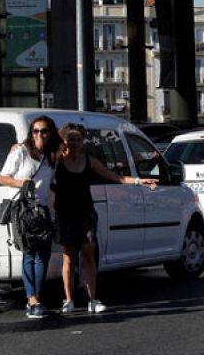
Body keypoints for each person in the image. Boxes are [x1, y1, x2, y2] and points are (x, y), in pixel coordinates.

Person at [52, 123, 158, 314]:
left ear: (82, 141)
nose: (74, 143)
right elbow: (38, 161)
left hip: (86, 213)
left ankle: (93, 299)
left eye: (78, 139)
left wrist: (139, 180)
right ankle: (68, 300)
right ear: (64, 140)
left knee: (88, 256)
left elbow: (114, 177)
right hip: (65, 214)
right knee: (68, 257)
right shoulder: (57, 161)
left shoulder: (89, 161)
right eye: (71, 139)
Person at [0, 114, 59, 319]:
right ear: (31, 134)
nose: (39, 135)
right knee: (29, 255)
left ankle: (36, 300)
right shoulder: (21, 152)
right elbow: (2, 177)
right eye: (35, 131)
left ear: (50, 133)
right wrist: (23, 183)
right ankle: (32, 300)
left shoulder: (52, 155)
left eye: (43, 131)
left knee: (43, 257)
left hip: (42, 211)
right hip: (22, 210)